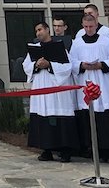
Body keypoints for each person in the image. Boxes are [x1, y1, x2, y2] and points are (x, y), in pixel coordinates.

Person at [69, 13, 109, 162]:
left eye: (91, 27)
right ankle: (92, 150)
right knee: (88, 117)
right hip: (86, 80)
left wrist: (100, 64)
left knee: (106, 119)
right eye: (86, 27)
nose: (88, 29)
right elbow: (72, 62)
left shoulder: (105, 42)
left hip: (104, 84)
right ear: (83, 26)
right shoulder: (77, 43)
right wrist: (82, 65)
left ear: (96, 25)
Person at [23, 21, 77, 162]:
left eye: (40, 29)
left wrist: (49, 65)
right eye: (36, 31)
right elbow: (26, 65)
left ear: (47, 30)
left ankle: (65, 150)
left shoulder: (59, 47)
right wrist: (36, 64)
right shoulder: (34, 48)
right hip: (41, 85)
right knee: (43, 115)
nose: (38, 33)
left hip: (56, 88)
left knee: (60, 117)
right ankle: (46, 149)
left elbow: (67, 67)